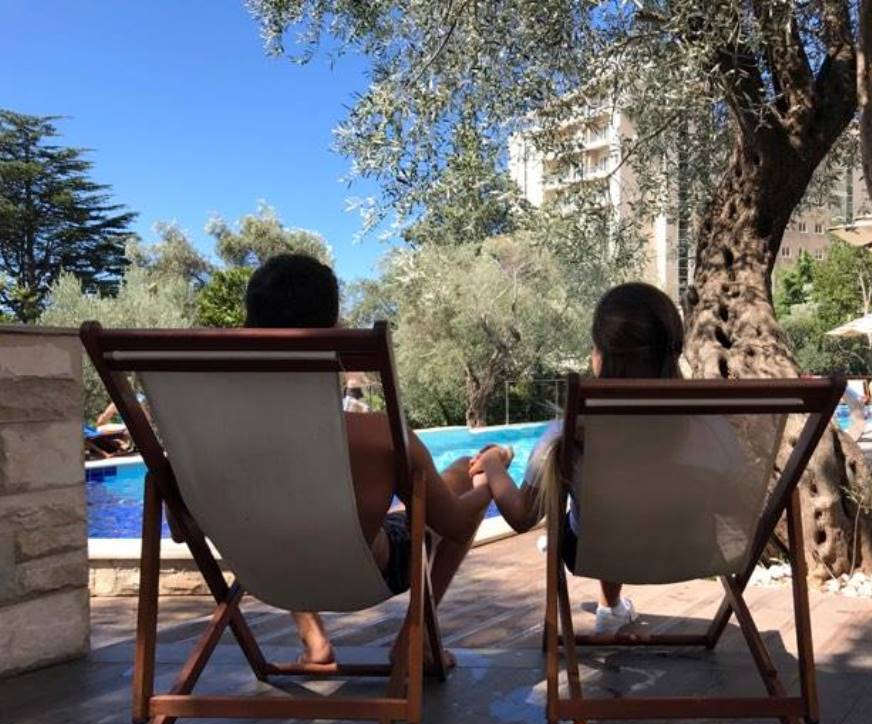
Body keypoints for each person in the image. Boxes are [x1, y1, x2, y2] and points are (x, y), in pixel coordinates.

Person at [244, 253, 510, 667]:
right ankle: (415, 643)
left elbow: (184, 528)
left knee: (282, 518)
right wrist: (490, 476)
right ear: (335, 335)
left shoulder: (220, 441)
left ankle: (314, 642)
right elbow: (455, 526)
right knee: (461, 469)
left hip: (268, 575)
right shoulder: (379, 434)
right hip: (369, 571)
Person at [469, 282, 685, 634]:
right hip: (685, 553)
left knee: (600, 514)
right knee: (630, 505)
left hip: (592, 551)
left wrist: (493, 463)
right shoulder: (710, 426)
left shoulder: (572, 433)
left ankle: (608, 601)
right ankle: (610, 607)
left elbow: (523, 516)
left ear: (600, 357)